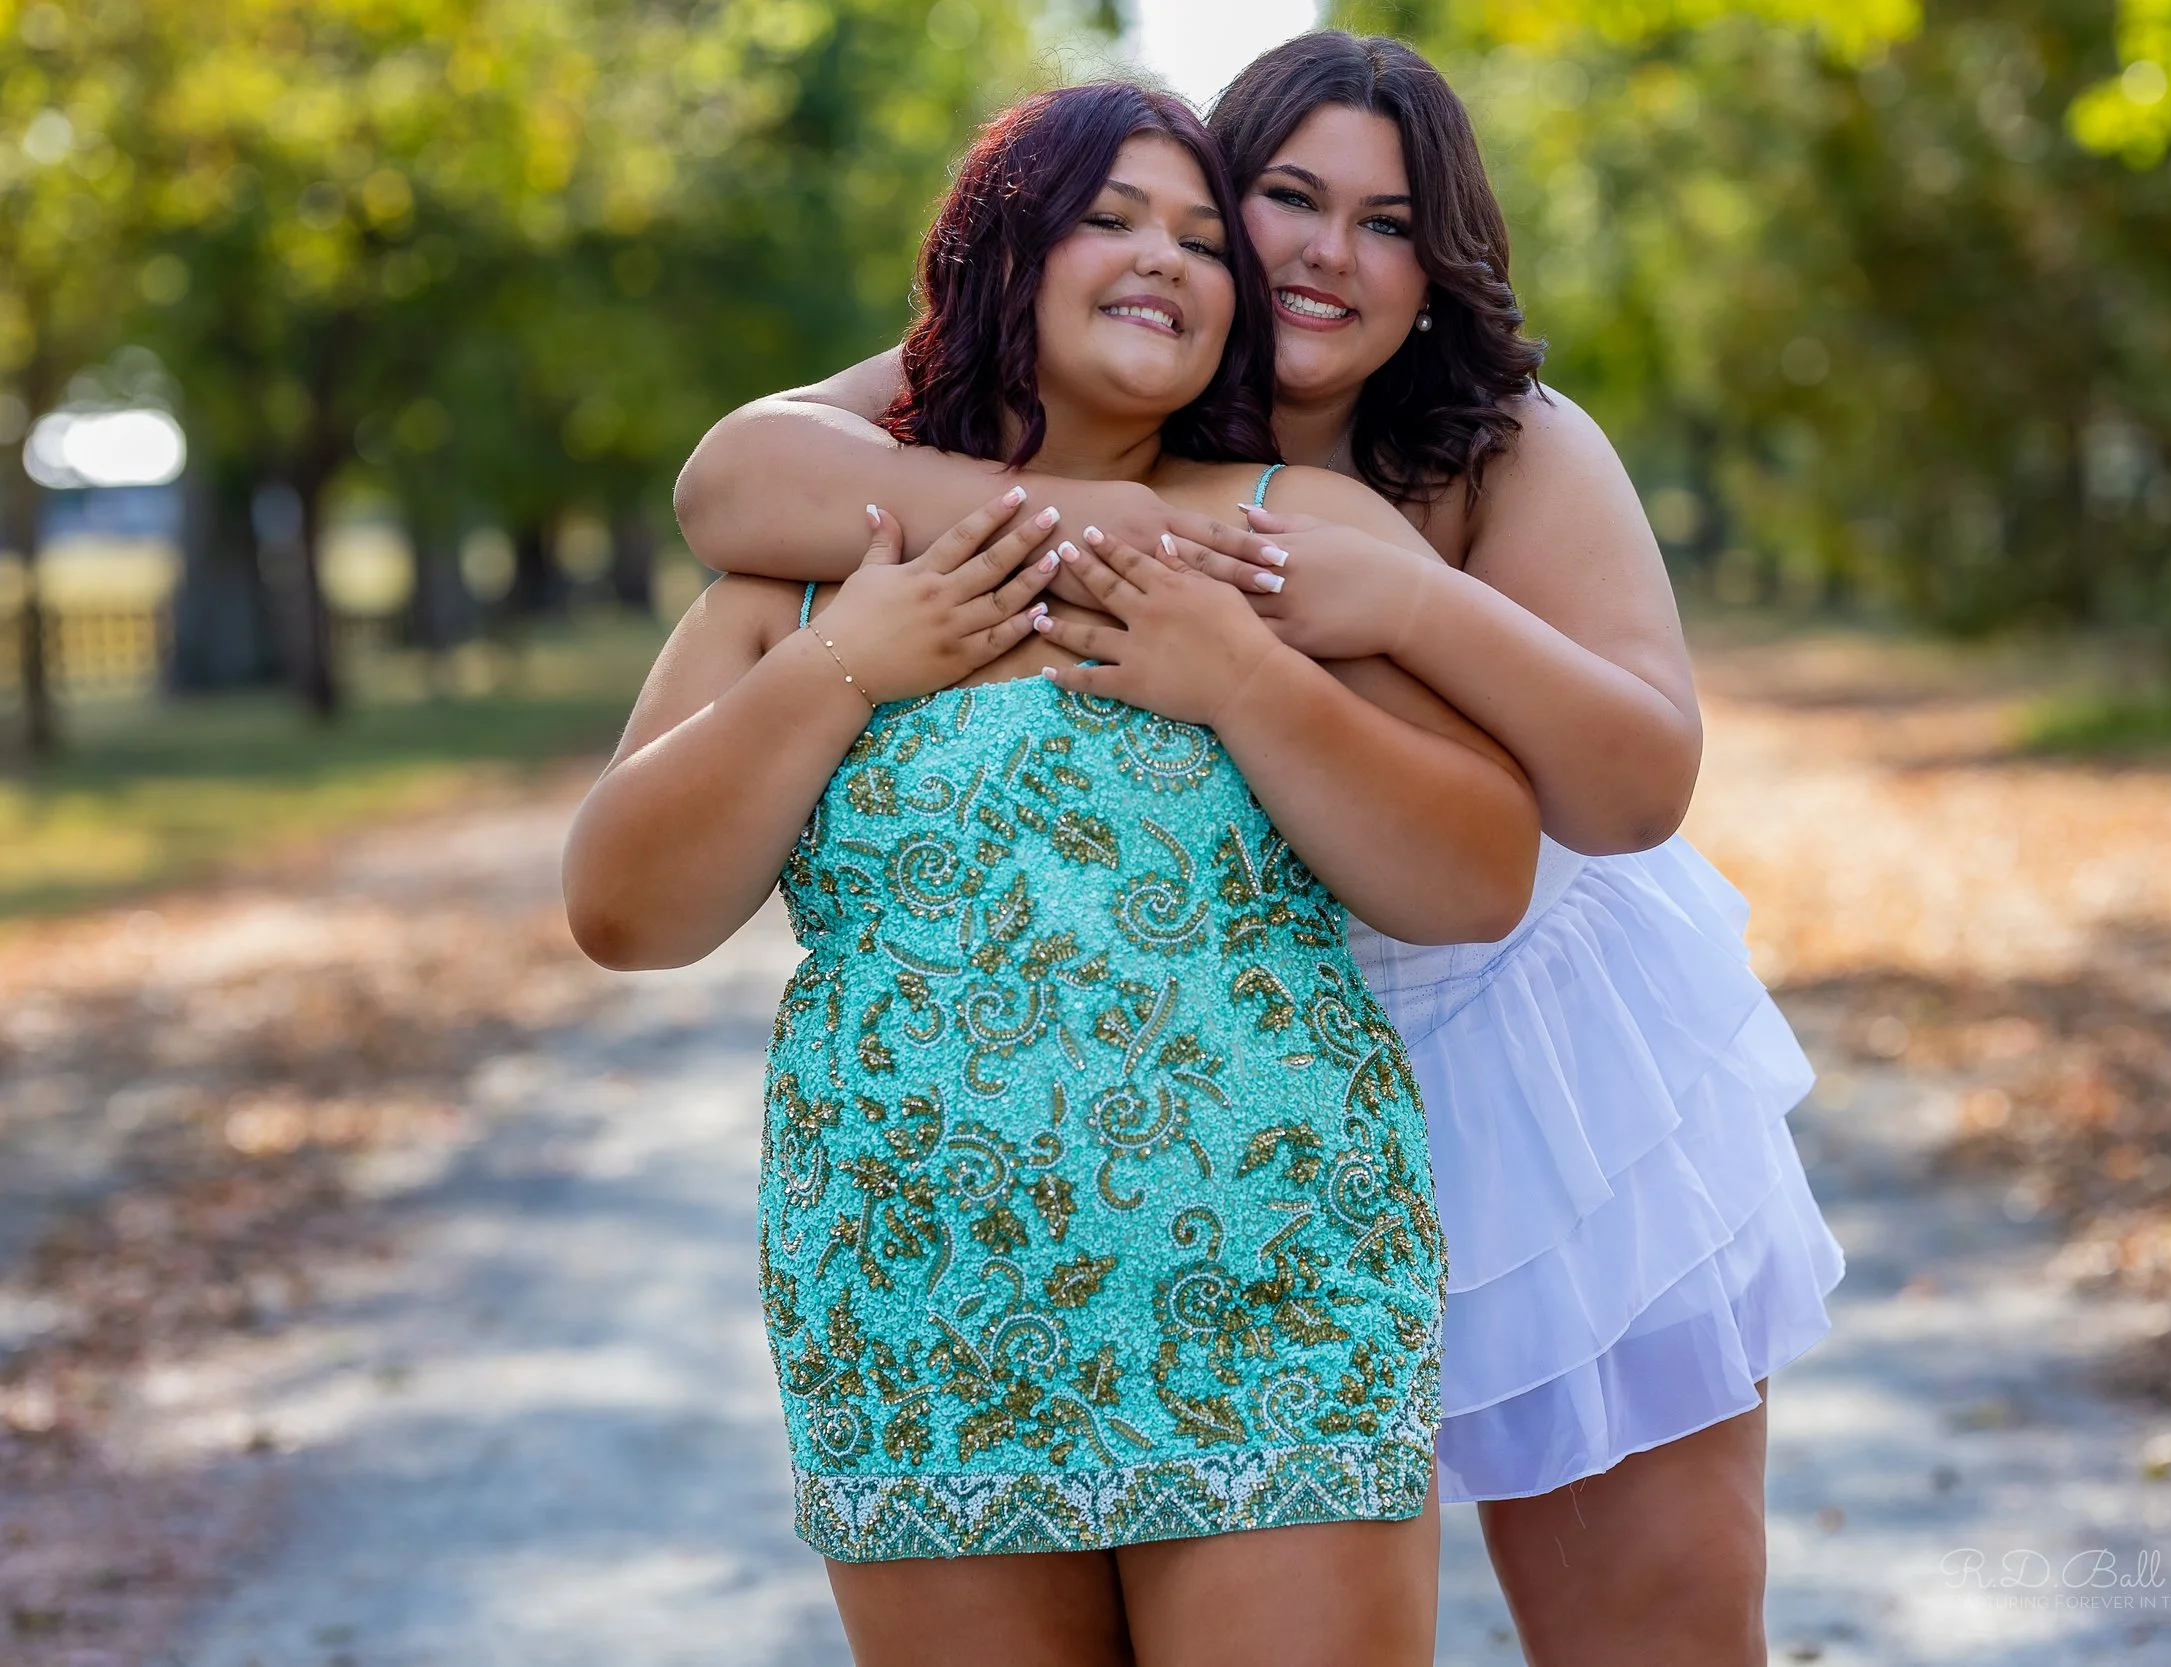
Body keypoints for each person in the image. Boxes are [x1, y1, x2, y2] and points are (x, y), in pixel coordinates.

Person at [673, 33, 1845, 1667]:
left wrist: (1408, 599)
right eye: (1280, 200)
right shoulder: (1077, 358)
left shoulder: (1501, 441)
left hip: (1514, 1035)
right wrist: (1120, 526)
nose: (1320, 252)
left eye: (1384, 223)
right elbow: (737, 477)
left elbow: (1637, 786)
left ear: (1438, 271)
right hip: (1219, 1062)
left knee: (1650, 1627)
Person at [566, 81, 1542, 1667]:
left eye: (1204, 236)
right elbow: (621, 908)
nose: (1164, 256)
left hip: (1274, 1295)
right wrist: (845, 672)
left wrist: (1246, 681)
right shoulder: (819, 565)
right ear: (1001, 253)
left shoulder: (1285, 530)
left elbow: (1479, 871)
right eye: (1110, 216)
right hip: (917, 1319)